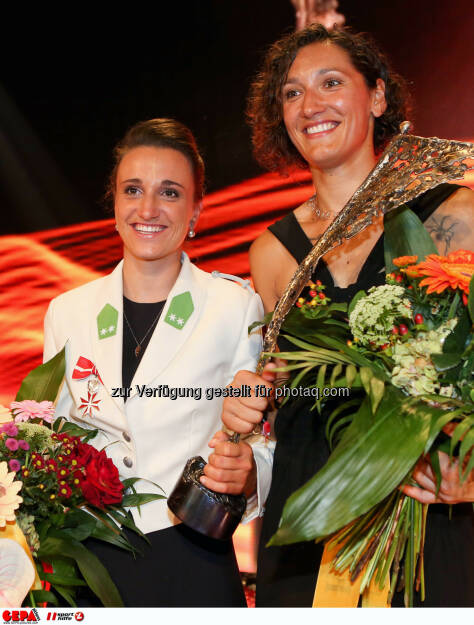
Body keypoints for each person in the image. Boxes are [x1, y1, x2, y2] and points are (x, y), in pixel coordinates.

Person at [222, 24, 474, 607]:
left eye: (331, 83)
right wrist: (248, 401)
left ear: (378, 96)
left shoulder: (453, 216)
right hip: (306, 520)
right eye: (292, 93)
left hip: (427, 516)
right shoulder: (272, 252)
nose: (310, 104)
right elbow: (283, 385)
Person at [42, 118, 274, 607]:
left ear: (195, 210)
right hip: (86, 560)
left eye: (169, 192)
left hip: (191, 551)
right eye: (133, 189)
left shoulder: (234, 305)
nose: (148, 209)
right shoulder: (67, 311)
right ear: (114, 203)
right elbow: (52, 436)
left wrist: (249, 469)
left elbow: (262, 435)